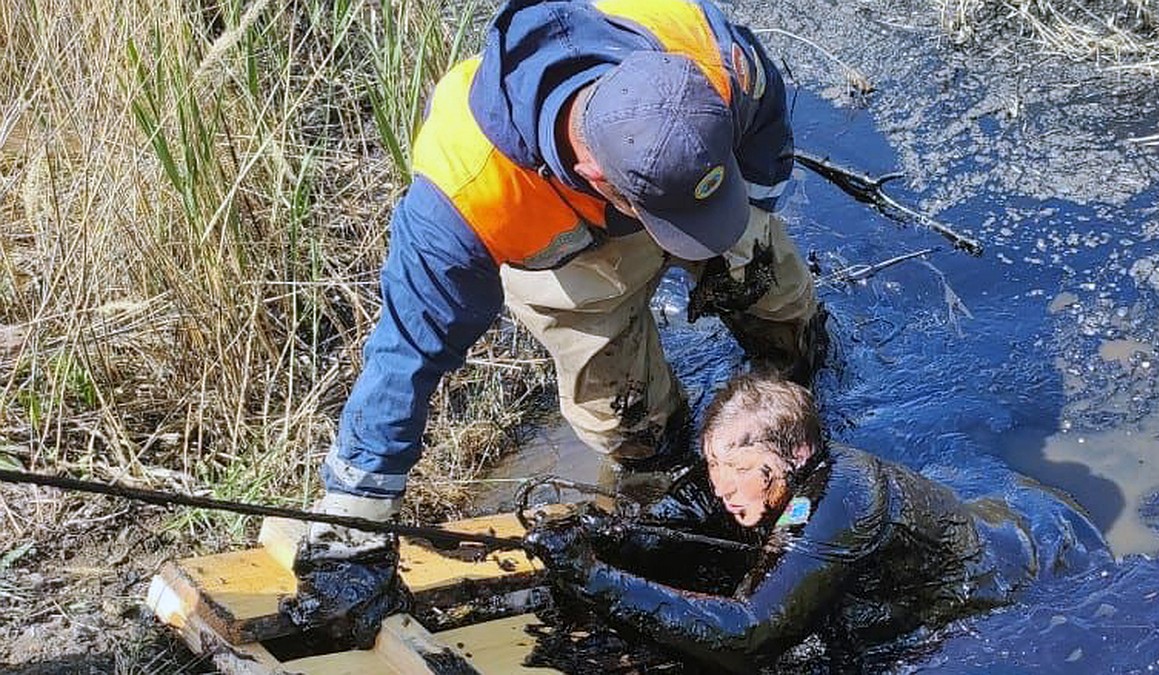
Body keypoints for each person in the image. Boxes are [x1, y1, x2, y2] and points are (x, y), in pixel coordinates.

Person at [282, 0, 827, 644]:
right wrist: (355, 525)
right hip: (573, 253)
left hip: (700, 182)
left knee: (775, 298)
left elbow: (762, 122)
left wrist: (745, 221)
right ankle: (676, 475)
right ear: (596, 171)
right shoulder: (466, 193)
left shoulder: (705, 56)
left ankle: (798, 388)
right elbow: (405, 357)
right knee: (630, 422)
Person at [523, 373, 1113, 672]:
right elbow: (681, 518)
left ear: (797, 456)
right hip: (986, 517)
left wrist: (593, 579)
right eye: (713, 465)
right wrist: (610, 538)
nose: (723, 484)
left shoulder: (841, 503)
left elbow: (747, 637)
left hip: (1022, 576)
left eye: (740, 469)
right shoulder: (763, 473)